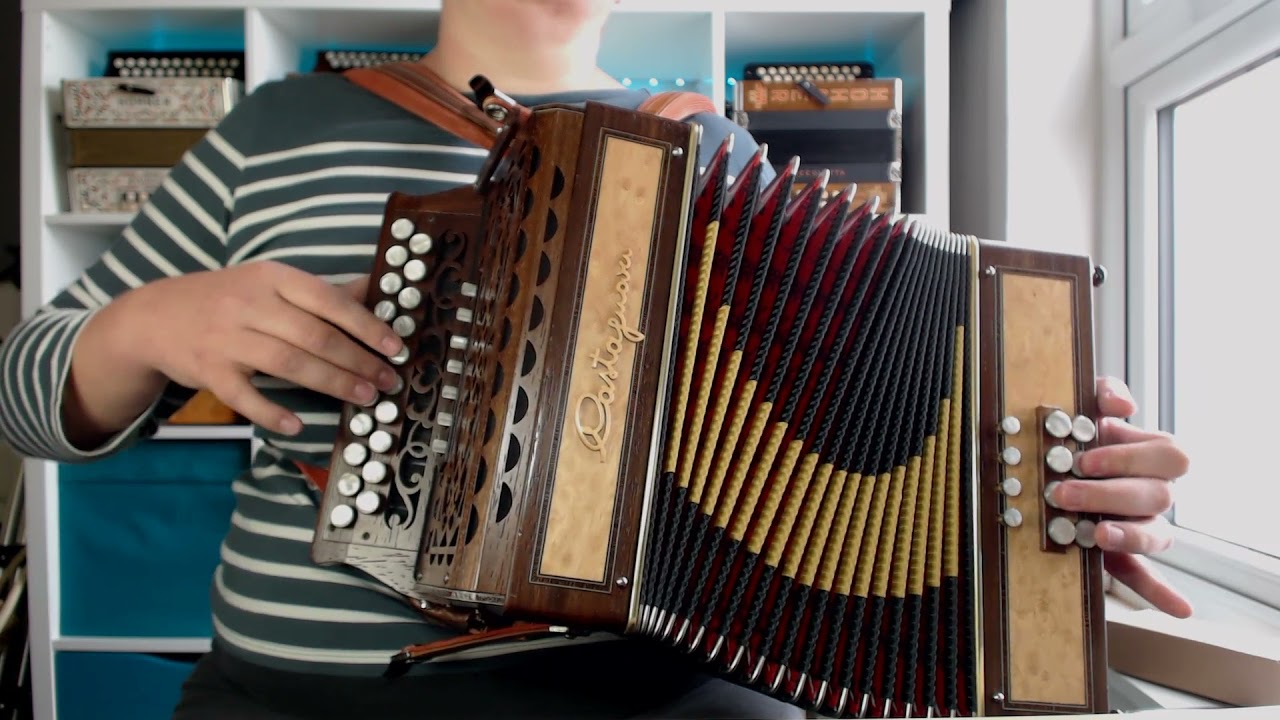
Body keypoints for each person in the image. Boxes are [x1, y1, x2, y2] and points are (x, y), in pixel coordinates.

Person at [0, 0, 1192, 717]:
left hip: (648, 692)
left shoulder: (716, 156)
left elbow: (850, 439)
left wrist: (1045, 494)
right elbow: (24, 391)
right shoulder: (278, 125)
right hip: (303, 698)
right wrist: (141, 326)